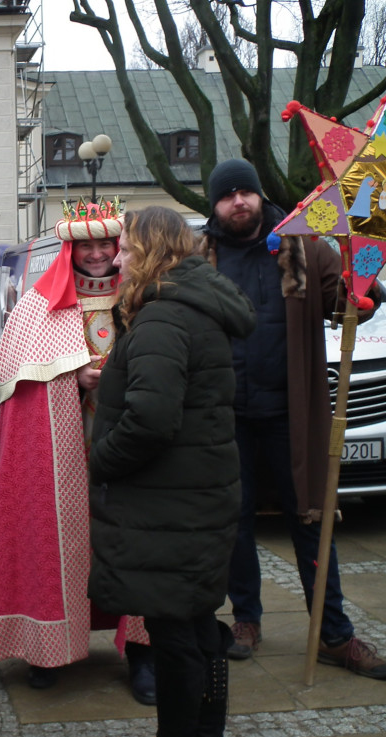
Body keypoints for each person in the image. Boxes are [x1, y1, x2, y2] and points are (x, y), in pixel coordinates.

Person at [200, 158, 386, 677]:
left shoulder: (304, 245)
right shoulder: (200, 257)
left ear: (260, 196)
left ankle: (333, 634)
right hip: (226, 414)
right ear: (214, 205)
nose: (239, 201)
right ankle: (246, 620)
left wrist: (366, 293)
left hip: (291, 413)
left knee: (311, 518)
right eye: (227, 195)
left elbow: (347, 295)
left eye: (247, 192)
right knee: (233, 523)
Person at [89, 206, 256, 737]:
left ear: (154, 252)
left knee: (179, 643)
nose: (118, 258)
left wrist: (101, 460)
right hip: (193, 501)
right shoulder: (192, 307)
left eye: (128, 249)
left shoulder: (164, 318)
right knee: (199, 633)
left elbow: (151, 420)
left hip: (170, 507)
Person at [0, 199, 156, 703]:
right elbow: (13, 376)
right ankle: (45, 647)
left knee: (134, 543)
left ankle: (143, 651)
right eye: (89, 244)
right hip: (63, 453)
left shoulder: (144, 297)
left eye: (108, 243)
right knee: (49, 536)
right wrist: (69, 376)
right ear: (71, 248)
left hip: (129, 448)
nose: (99, 253)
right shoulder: (38, 304)